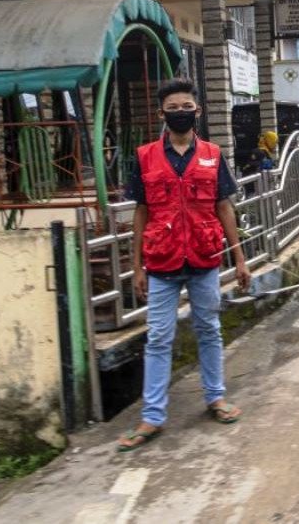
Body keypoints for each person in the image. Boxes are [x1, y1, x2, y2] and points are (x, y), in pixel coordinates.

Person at [118, 78, 251, 451]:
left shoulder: (212, 154)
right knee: (159, 337)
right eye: (172, 109)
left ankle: (216, 398)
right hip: (161, 260)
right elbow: (141, 212)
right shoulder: (144, 157)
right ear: (162, 114)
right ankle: (152, 416)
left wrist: (239, 258)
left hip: (204, 258)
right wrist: (137, 266)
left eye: (186, 107)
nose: (180, 113)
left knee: (209, 328)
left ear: (198, 111)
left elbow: (224, 207)